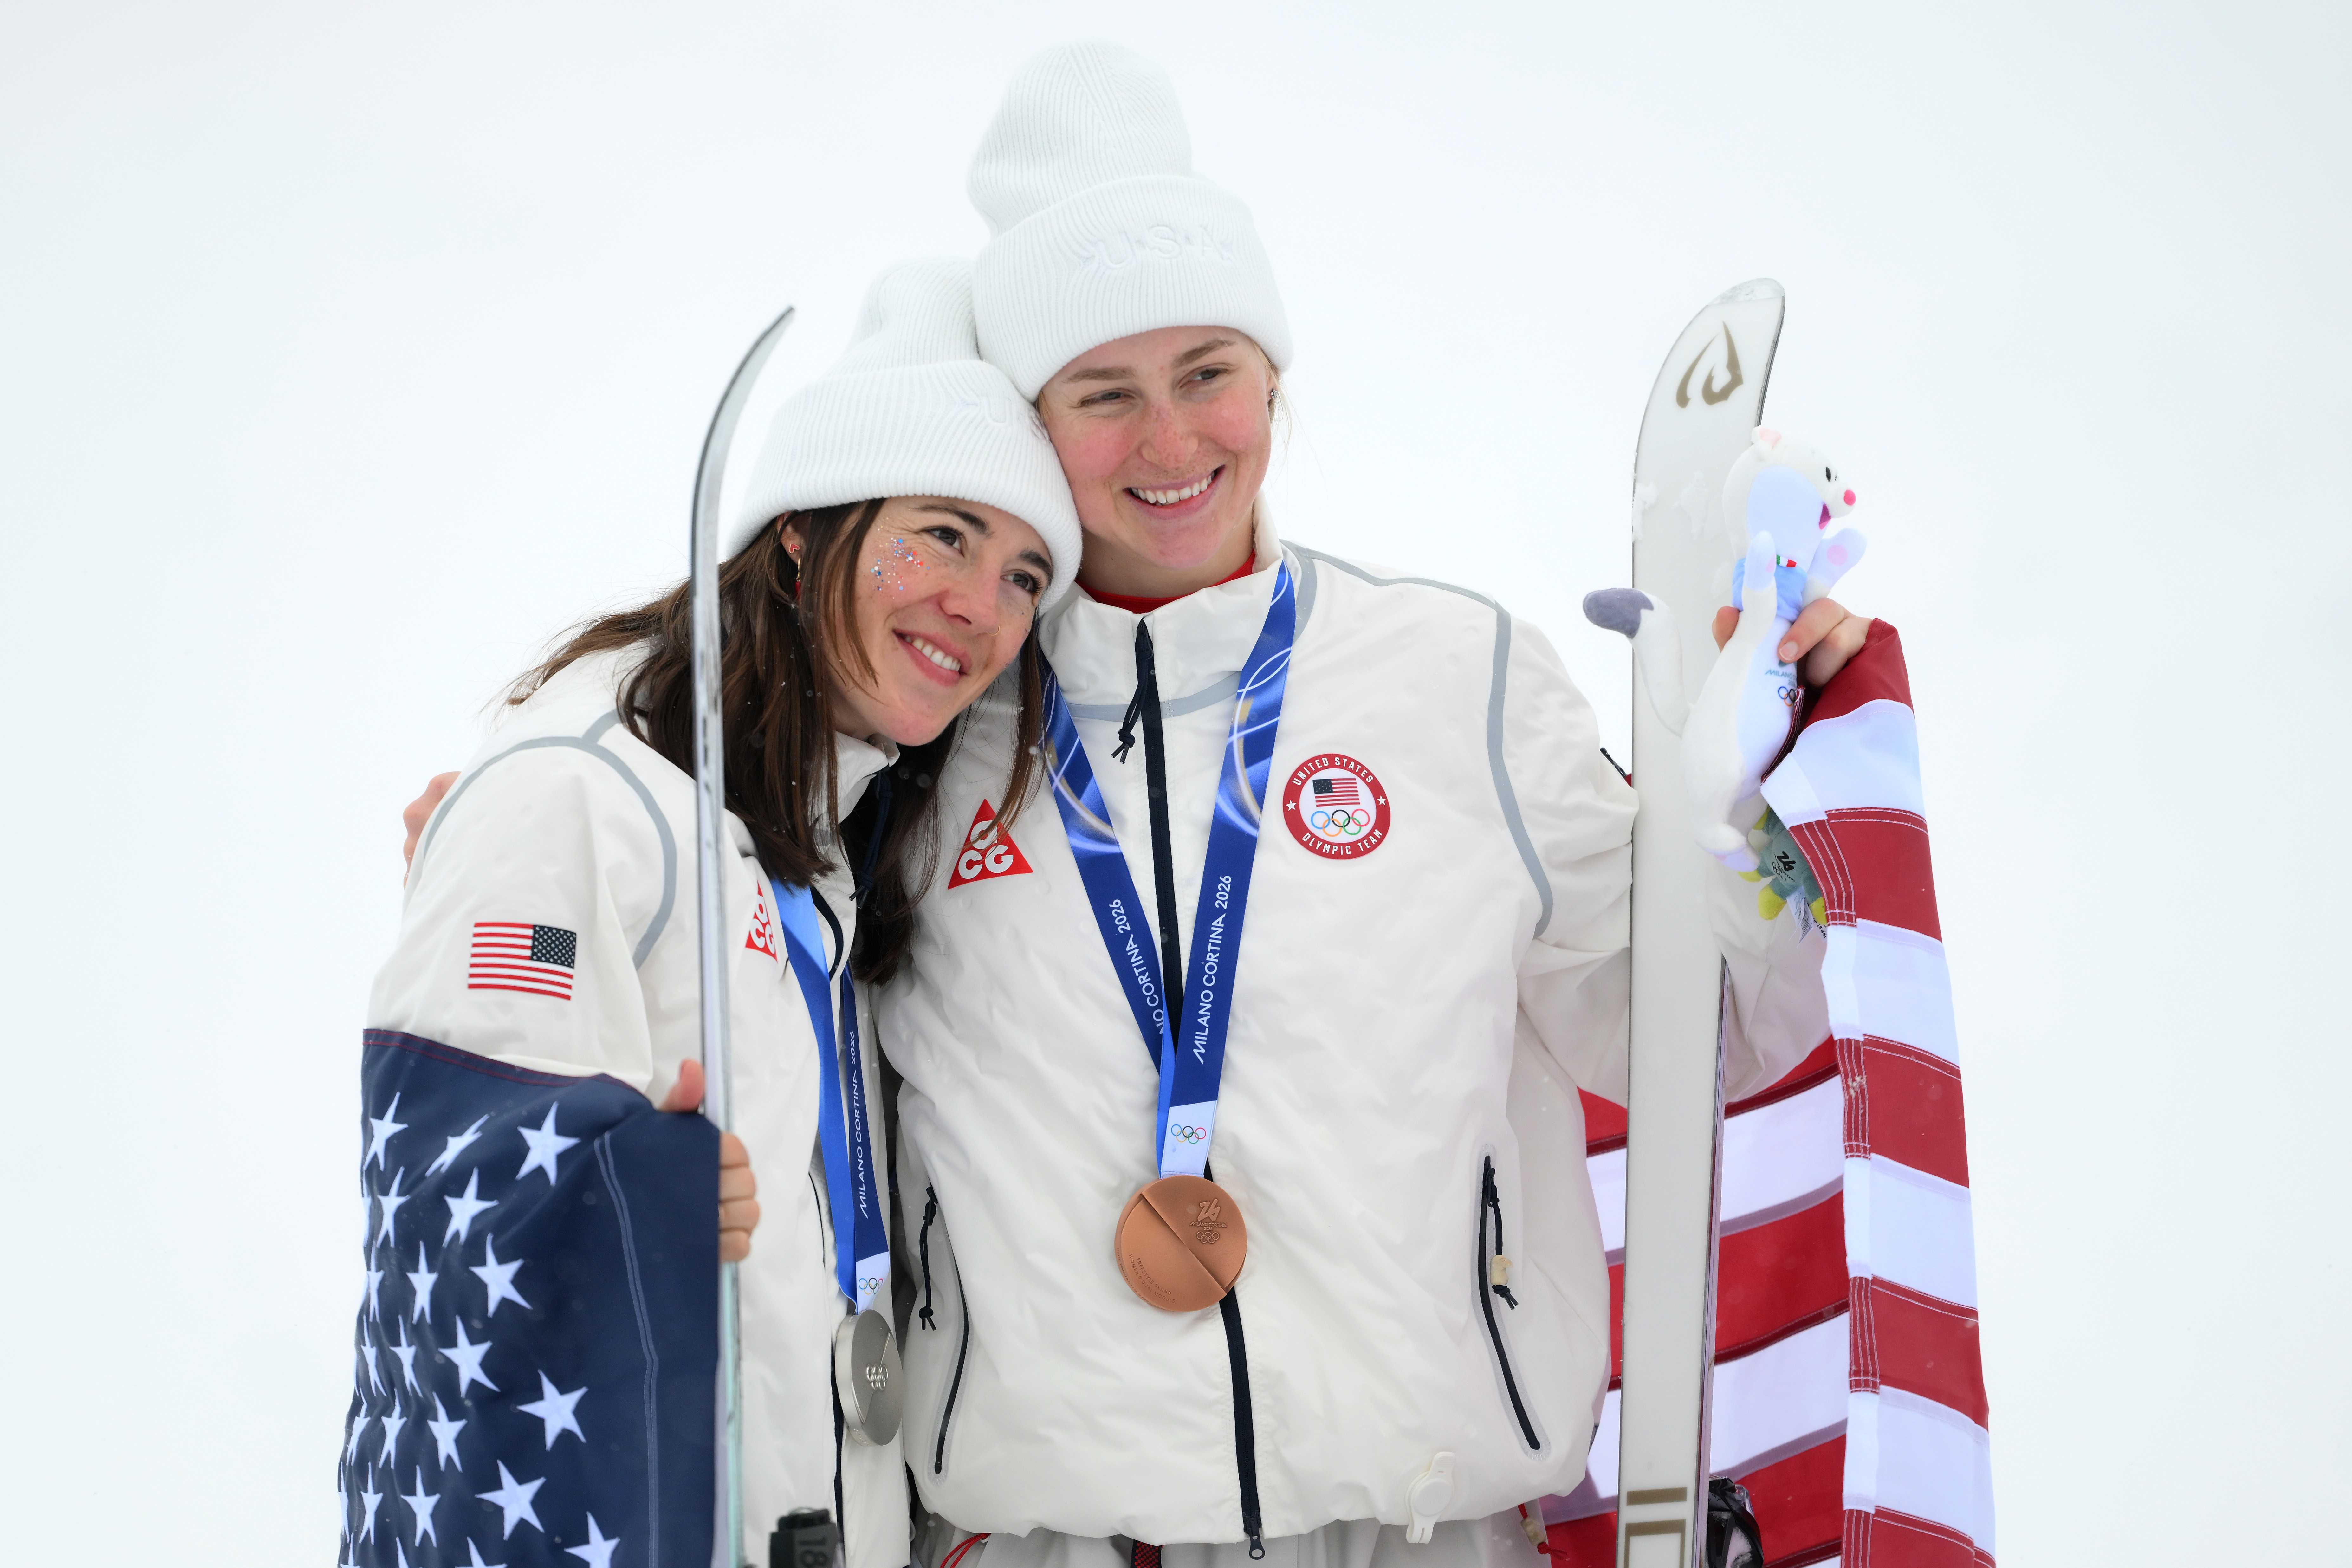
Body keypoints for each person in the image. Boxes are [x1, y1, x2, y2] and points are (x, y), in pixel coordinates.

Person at [871, 42, 1868, 1568]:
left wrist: (1772, 779)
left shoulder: (1451, 675)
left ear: (1275, 376)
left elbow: (1707, 1030)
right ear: (1027, 419)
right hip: (1048, 1538)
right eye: (1102, 395)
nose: (1170, 442)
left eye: (1207, 373)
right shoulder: (929, 725)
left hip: (1426, 1532)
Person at [377, 256, 1080, 1568]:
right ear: (804, 533)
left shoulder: (817, 843)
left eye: (1026, 573)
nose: (981, 609)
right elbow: (438, 1178)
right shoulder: (579, 791)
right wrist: (621, 1189)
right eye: (941, 532)